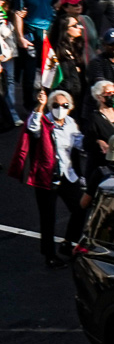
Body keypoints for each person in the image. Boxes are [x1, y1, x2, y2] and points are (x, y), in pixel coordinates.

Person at [11, 89, 87, 266]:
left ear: (70, 107)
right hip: (46, 176)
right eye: (56, 105)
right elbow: (32, 126)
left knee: (80, 208)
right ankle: (50, 256)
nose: (60, 108)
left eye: (64, 105)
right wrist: (40, 105)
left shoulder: (70, 123)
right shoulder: (43, 121)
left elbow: (78, 142)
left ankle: (68, 242)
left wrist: (93, 140)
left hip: (67, 174)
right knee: (48, 218)